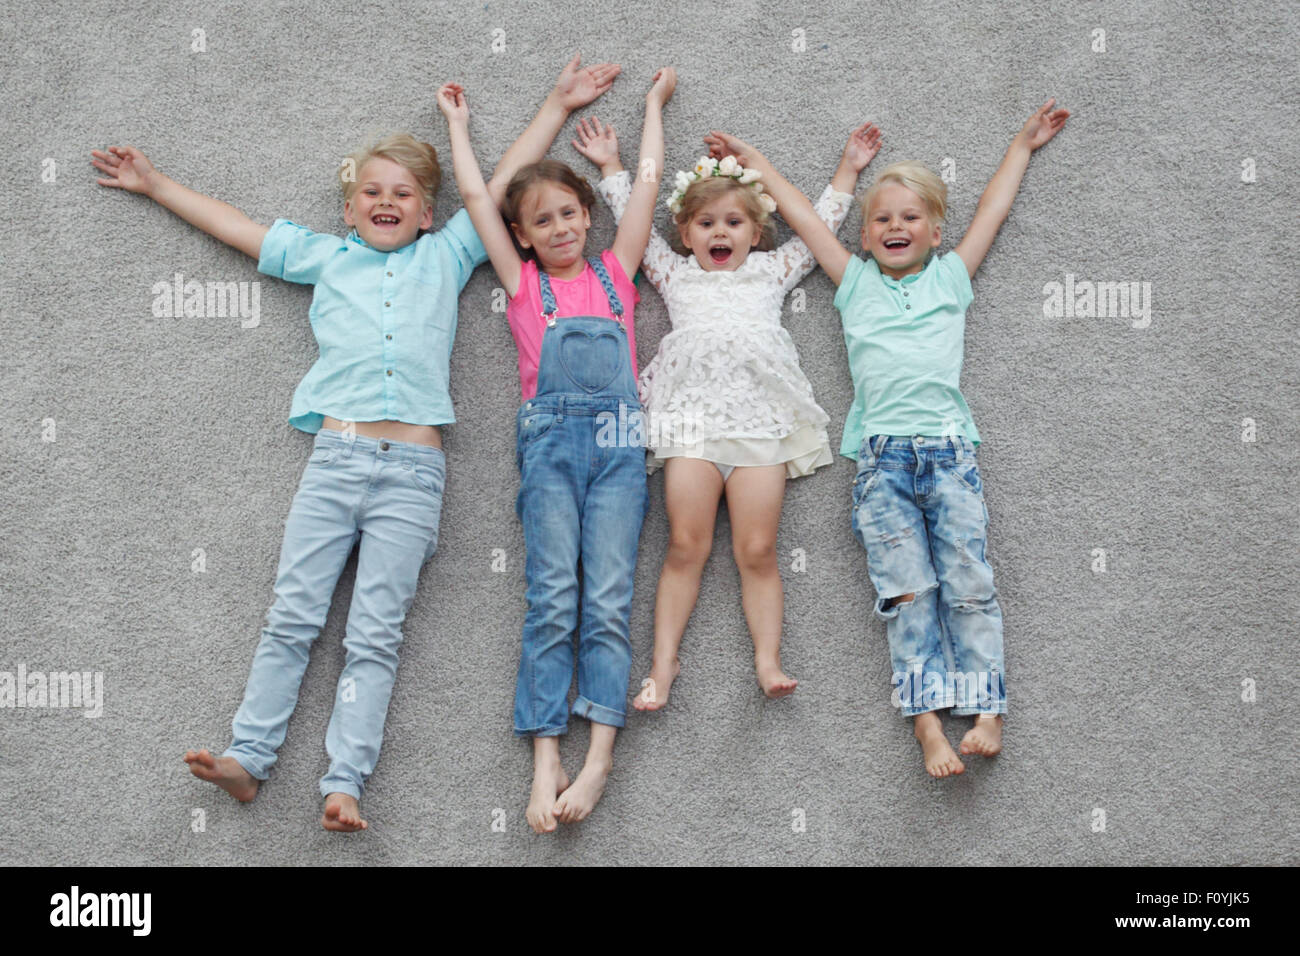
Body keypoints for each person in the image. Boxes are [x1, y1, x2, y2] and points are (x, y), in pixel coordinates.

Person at [94, 53, 621, 829]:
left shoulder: (447, 255)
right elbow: (239, 229)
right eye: (371, 192)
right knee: (292, 616)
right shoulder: (324, 256)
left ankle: (345, 783)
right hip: (335, 460)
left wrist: (554, 103)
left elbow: (496, 183)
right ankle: (249, 756)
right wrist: (156, 184)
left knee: (374, 636)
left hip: (414, 470)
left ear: (426, 212)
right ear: (347, 210)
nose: (386, 201)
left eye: (403, 194)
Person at [705, 98, 1069, 776]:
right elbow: (808, 223)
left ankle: (986, 706)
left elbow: (991, 210)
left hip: (950, 453)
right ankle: (928, 724)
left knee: (969, 579)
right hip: (880, 462)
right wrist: (755, 164)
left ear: (934, 232)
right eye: (881, 219)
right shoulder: (855, 282)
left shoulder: (951, 277)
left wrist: (1021, 145)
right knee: (906, 591)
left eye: (910, 218)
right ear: (867, 237)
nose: (894, 226)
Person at [438, 67, 674, 832]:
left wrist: (651, 108)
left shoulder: (617, 272)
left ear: (586, 215)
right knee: (551, 602)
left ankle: (599, 756)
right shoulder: (521, 284)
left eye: (570, 213)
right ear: (523, 237)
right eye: (543, 221)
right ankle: (546, 757)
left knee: (606, 600)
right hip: (547, 446)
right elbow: (477, 200)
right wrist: (458, 132)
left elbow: (646, 186)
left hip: (615, 446)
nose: (562, 227)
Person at [591, 124, 881, 708]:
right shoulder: (673, 272)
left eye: (733, 223)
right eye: (705, 224)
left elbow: (816, 227)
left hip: (757, 422)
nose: (719, 233)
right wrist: (610, 168)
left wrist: (848, 170)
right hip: (691, 423)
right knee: (685, 544)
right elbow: (634, 224)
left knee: (757, 549)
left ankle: (767, 658)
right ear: (685, 232)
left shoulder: (771, 270)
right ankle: (664, 662)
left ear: (756, 232)